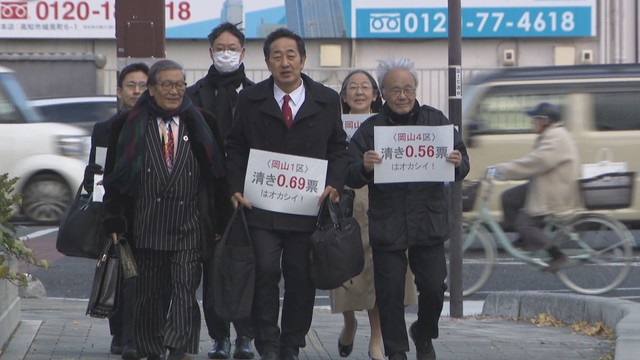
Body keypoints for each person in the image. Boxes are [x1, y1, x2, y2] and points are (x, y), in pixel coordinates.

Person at [224, 28, 349, 360]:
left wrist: (334, 183)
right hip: (262, 205)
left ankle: (291, 343)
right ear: (266, 62)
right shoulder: (249, 100)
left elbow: (339, 148)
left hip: (307, 207)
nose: (285, 62)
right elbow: (235, 147)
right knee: (264, 270)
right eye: (276, 56)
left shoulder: (326, 99)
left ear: (303, 59)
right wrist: (235, 187)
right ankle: (267, 341)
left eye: (291, 55)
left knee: (301, 275)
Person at [101, 59, 229, 360]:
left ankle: (179, 346)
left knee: (186, 287)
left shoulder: (203, 121)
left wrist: (220, 221)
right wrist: (115, 220)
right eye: (167, 85)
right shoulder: (128, 124)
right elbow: (114, 179)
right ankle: (151, 346)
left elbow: (218, 176)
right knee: (150, 293)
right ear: (153, 89)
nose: (175, 91)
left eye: (180, 85)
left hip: (190, 222)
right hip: (147, 222)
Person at [345, 57, 470, 360]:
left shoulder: (436, 121)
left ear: (416, 90)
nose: (402, 96)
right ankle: (396, 351)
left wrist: (457, 163)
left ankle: (424, 332)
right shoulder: (371, 129)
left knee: (434, 287)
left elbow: (463, 164)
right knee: (389, 295)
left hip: (427, 219)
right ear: (382, 94)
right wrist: (364, 165)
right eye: (395, 90)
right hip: (388, 222)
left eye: (408, 89)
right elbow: (348, 171)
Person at [331, 70, 417, 360]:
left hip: (383, 201)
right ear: (343, 95)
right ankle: (349, 322)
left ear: (375, 94)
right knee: (343, 267)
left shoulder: (389, 125)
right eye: (352, 87)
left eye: (364, 87)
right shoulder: (333, 126)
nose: (358, 92)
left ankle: (377, 341)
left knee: (380, 273)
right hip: (343, 200)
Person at [186, 21, 255, 360]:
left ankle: (246, 336)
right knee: (212, 269)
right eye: (220, 48)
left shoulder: (258, 94)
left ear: (243, 52)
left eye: (232, 48)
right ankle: (219, 338)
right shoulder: (193, 95)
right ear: (210, 52)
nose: (226, 53)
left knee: (246, 265)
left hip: (248, 194)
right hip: (206, 196)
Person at [82, 62, 149, 360]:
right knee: (116, 273)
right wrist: (90, 176)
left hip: (149, 211)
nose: (137, 91)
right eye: (131, 86)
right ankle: (118, 335)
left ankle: (137, 334)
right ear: (119, 91)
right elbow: (97, 170)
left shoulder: (158, 126)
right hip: (114, 211)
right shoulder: (104, 129)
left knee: (143, 277)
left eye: (143, 86)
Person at [492, 102, 579, 272]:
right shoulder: (550, 135)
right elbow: (534, 162)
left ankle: (558, 255)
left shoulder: (555, 137)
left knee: (525, 224)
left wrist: (503, 170)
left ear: (545, 121)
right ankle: (526, 240)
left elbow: (537, 162)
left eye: (535, 119)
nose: (533, 122)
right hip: (544, 185)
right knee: (508, 197)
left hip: (554, 192)